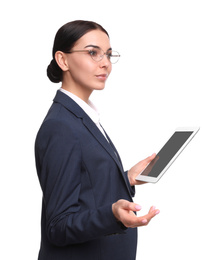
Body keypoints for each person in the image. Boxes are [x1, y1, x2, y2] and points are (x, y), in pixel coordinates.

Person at [35, 20, 160, 260]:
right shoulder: (61, 127)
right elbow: (58, 226)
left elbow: (84, 188)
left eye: (109, 55)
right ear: (63, 60)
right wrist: (112, 215)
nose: (105, 63)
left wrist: (127, 179)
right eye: (93, 53)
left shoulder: (83, 116)